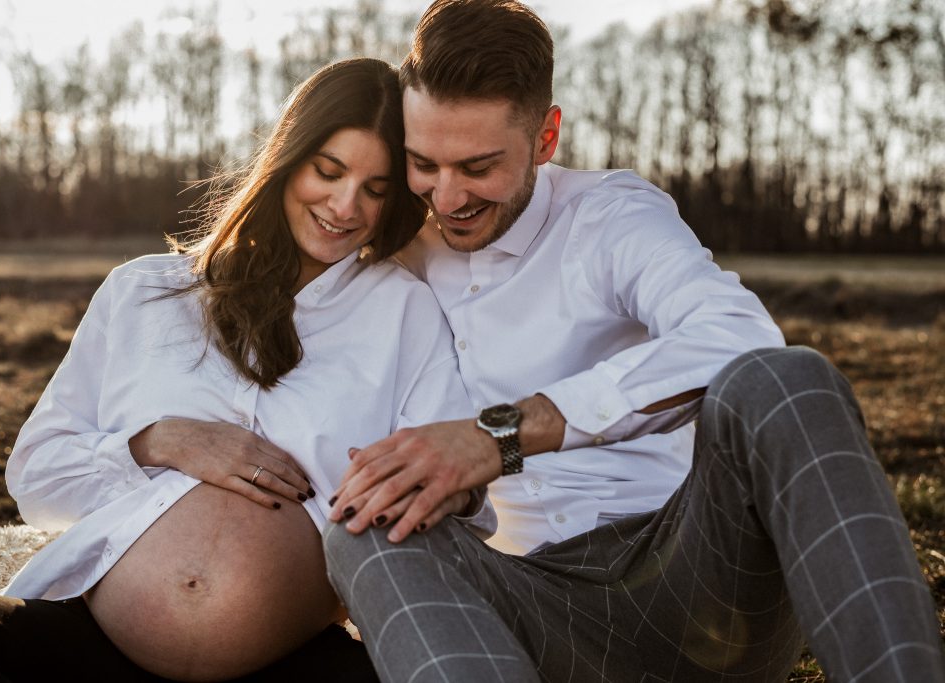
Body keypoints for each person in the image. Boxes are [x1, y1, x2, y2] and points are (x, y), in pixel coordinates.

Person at [321, 2, 945, 682]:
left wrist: (498, 436)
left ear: (546, 137)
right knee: (364, 529)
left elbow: (738, 337)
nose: (447, 197)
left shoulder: (610, 215)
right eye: (424, 163)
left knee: (785, 380)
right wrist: (218, 436)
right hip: (530, 605)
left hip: (695, 576)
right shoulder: (391, 250)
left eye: (478, 166)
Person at [0, 57, 491, 683]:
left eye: (375, 189)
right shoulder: (142, 291)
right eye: (327, 172)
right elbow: (36, 477)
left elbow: (463, 492)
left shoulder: (405, 312)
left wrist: (433, 487)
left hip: (288, 661)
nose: (344, 204)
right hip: (87, 643)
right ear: (286, 159)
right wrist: (161, 441)